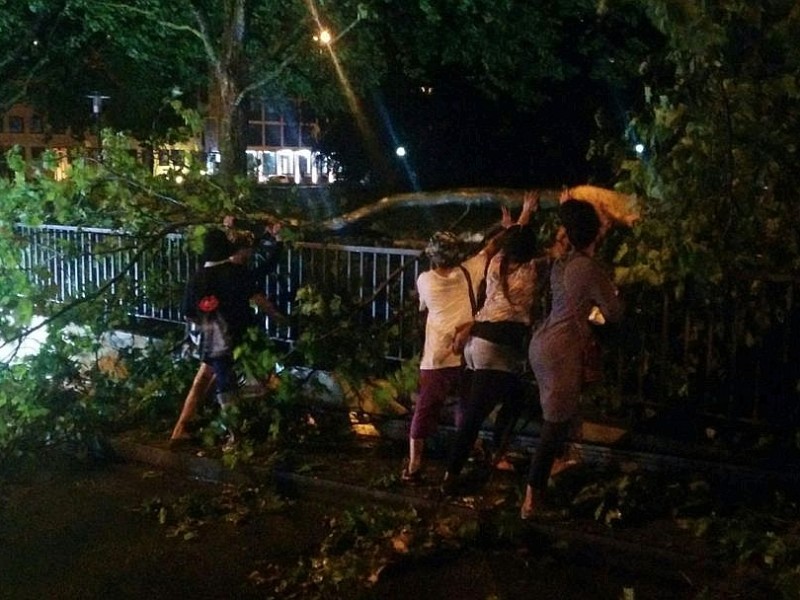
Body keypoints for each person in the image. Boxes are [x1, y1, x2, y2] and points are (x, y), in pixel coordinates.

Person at [401, 194, 536, 483]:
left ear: (433, 256)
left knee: (426, 409)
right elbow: (493, 247)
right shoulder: (470, 270)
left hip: (438, 354)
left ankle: (414, 465)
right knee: (468, 407)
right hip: (469, 351)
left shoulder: (425, 280)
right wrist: (516, 221)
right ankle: (473, 452)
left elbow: (423, 306)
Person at [521, 199, 624, 519]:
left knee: (560, 419)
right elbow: (615, 313)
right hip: (561, 350)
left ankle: (553, 474)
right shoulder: (588, 268)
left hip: (543, 343)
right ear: (594, 233)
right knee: (553, 427)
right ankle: (531, 503)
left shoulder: (562, 264)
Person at [440, 197, 544, 494]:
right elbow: (523, 246)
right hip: (498, 346)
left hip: (478, 342)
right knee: (475, 416)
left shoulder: (496, 264)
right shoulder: (533, 270)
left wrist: (516, 221)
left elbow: (510, 244)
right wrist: (525, 215)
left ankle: (494, 453)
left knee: (515, 395)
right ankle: (451, 475)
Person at [170, 228, 274, 447]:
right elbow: (259, 281)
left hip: (211, 341)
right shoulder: (234, 273)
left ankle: (183, 430)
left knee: (213, 381)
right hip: (239, 337)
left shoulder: (197, 278)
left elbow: (188, 312)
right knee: (239, 382)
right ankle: (237, 432)